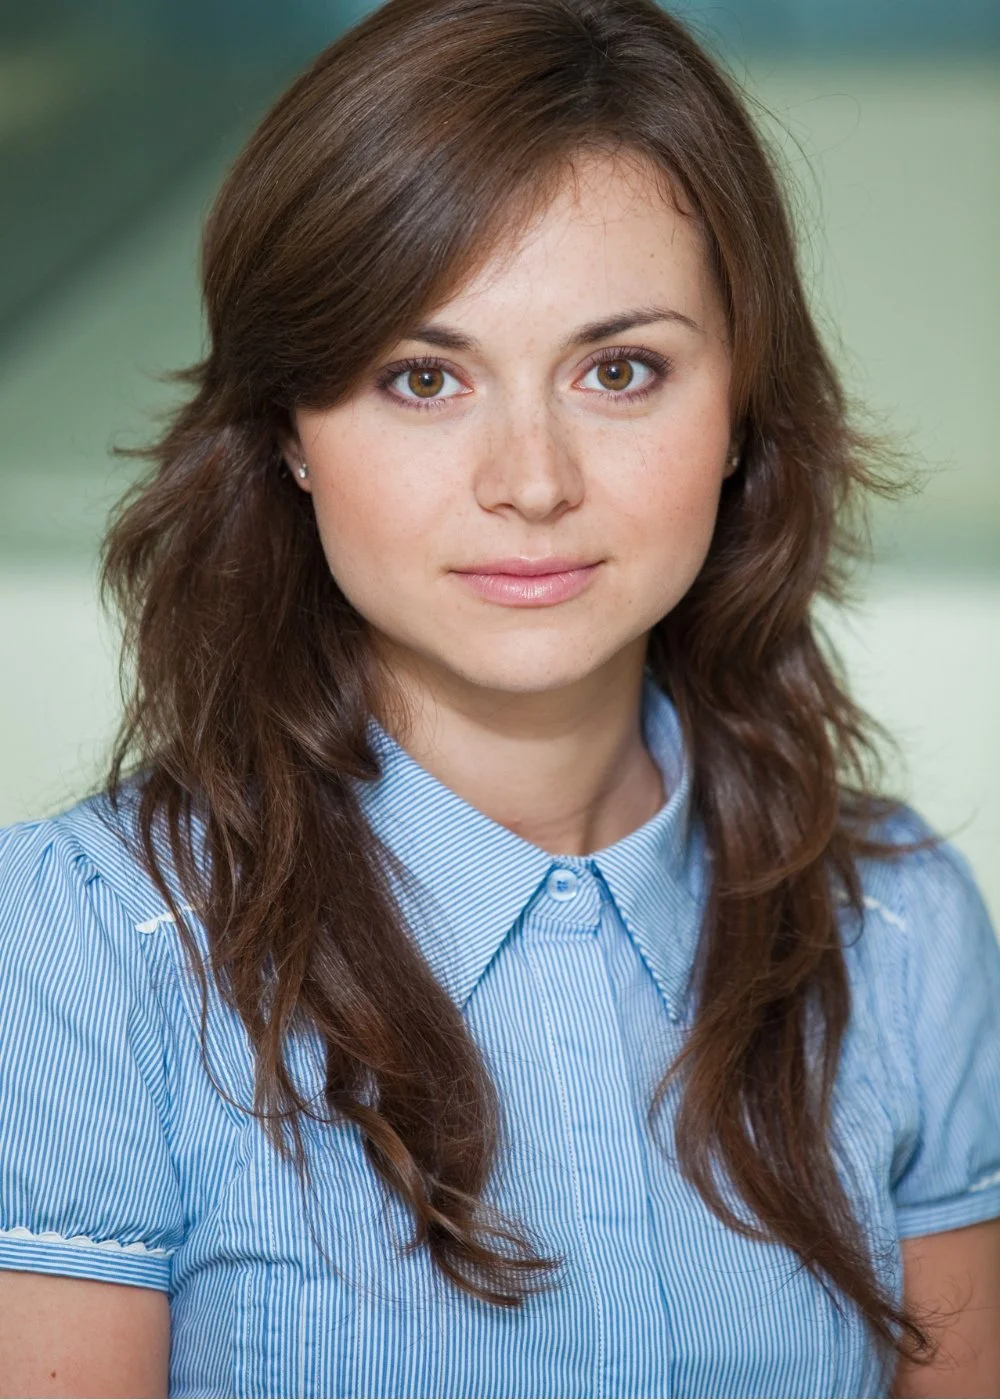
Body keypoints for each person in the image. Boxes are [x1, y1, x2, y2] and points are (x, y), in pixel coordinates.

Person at [1, 0, 998, 1394]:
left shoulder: (900, 927)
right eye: (423, 377)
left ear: (741, 413)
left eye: (619, 370)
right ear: (289, 428)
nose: (531, 480)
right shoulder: (83, 946)